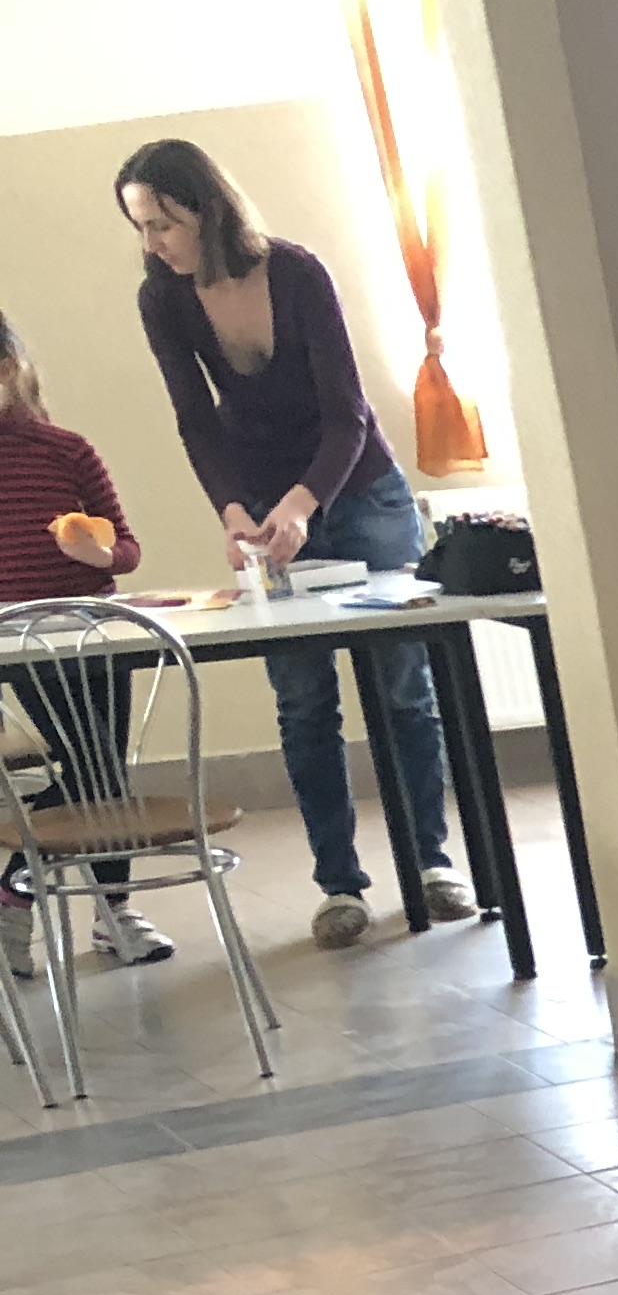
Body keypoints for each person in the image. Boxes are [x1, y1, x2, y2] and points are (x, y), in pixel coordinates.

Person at [120, 137, 468, 951]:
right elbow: (195, 418)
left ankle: (432, 864)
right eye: (139, 228)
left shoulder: (296, 272)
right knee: (303, 699)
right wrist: (232, 510)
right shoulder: (161, 297)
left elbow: (348, 411)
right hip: (265, 502)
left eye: (162, 224)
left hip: (360, 490)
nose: (152, 243)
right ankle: (338, 885)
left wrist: (306, 502)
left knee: (404, 688)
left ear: (205, 211)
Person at [0, 307, 161, 982]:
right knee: (93, 767)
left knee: (104, 768)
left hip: (95, 632)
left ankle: (103, 908)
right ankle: (27, 896)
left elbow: (127, 549)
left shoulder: (67, 451)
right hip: (21, 642)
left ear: (10, 372)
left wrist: (99, 554)